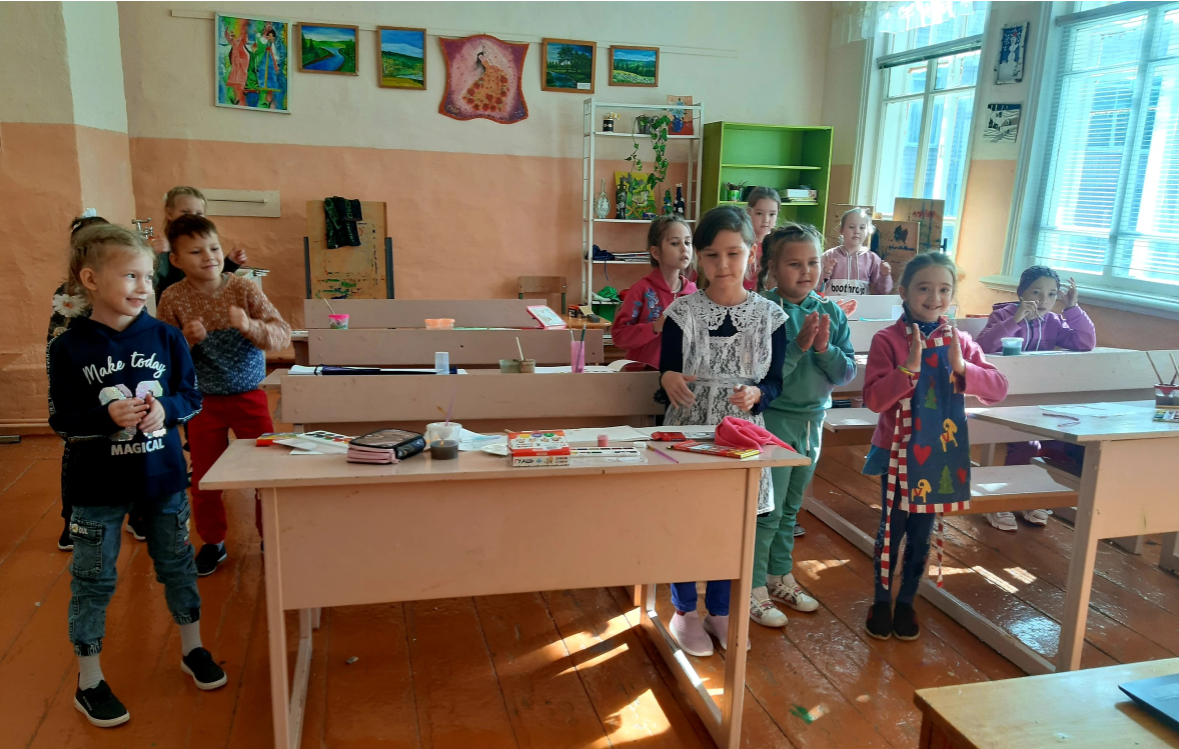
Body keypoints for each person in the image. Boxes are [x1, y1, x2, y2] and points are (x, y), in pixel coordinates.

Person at [47, 223, 225, 728]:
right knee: (93, 581)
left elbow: (191, 396)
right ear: (90, 279)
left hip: (163, 479)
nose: (143, 286)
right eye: (130, 276)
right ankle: (89, 681)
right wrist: (106, 416)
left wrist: (166, 409)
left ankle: (192, 648)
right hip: (97, 489)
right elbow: (62, 420)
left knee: (178, 566)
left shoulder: (166, 337)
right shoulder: (68, 346)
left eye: (148, 276)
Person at [659, 206, 788, 655]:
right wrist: (667, 377)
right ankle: (683, 610)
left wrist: (758, 394)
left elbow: (775, 383)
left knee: (731, 523)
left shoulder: (771, 316)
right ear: (698, 258)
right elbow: (667, 369)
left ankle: (719, 609)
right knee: (685, 520)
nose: (723, 264)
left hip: (741, 432)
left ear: (752, 254)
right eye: (711, 254)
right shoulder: (682, 312)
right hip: (689, 427)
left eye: (733, 253)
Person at [860, 254, 1008, 641]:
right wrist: (907, 368)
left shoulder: (961, 341)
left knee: (922, 533)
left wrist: (963, 367)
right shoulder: (887, 340)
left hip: (938, 456)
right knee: (892, 529)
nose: (934, 297)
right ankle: (881, 601)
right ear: (904, 292)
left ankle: (907, 601)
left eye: (944, 289)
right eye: (924, 288)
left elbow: (998, 389)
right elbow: (874, 400)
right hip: (895, 451)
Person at [156, 215, 291, 576]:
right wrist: (185, 340)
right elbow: (161, 358)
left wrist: (250, 326)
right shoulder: (173, 297)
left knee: (266, 469)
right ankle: (213, 541)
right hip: (201, 402)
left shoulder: (243, 288)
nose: (209, 257)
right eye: (196, 251)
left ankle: (270, 534)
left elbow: (282, 334)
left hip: (250, 398)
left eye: (214, 248)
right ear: (176, 260)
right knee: (204, 477)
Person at [749, 223, 857, 628]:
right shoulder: (762, 311)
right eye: (794, 264)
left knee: (791, 510)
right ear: (773, 267)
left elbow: (846, 373)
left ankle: (779, 576)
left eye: (812, 262)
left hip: (813, 422)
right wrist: (797, 348)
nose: (806, 271)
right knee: (768, 510)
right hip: (773, 423)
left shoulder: (831, 312)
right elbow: (759, 375)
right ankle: (753, 587)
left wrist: (825, 349)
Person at [48, 215, 157, 551]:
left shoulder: (131, 289)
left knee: (137, 444)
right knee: (79, 452)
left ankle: (139, 513)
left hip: (128, 376)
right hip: (88, 387)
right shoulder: (66, 294)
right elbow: (57, 336)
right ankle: (73, 519)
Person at [975, 265, 1095, 530]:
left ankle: (1031, 497)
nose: (1043, 300)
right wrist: (1015, 320)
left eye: (1051, 294)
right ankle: (1002, 501)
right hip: (1004, 397)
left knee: (1056, 442)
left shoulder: (1053, 321)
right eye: (1036, 292)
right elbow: (983, 347)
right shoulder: (1004, 314)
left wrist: (1072, 308)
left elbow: (1085, 343)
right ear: (1021, 293)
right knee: (1025, 444)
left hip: (1039, 399)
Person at [610, 215, 697, 368]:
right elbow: (619, 336)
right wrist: (655, 327)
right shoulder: (641, 290)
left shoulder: (693, 293)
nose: (684, 248)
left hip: (679, 377)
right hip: (642, 377)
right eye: (675, 243)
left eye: (688, 242)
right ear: (656, 252)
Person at [151, 187, 248, 300]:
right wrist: (152, 256)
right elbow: (150, 283)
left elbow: (210, 277)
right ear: (169, 213)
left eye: (199, 213)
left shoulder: (206, 240)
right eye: (185, 212)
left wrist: (230, 263)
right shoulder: (165, 250)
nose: (192, 217)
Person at [822, 208, 893, 295]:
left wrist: (885, 276)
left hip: (861, 304)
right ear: (841, 230)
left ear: (868, 232)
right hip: (832, 303)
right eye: (851, 227)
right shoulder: (828, 256)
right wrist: (826, 273)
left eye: (862, 228)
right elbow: (817, 287)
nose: (857, 231)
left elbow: (883, 291)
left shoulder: (873, 259)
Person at [744, 186, 780, 291]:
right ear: (748, 212)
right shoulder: (741, 244)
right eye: (759, 213)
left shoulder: (779, 245)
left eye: (772, 214)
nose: (766, 219)